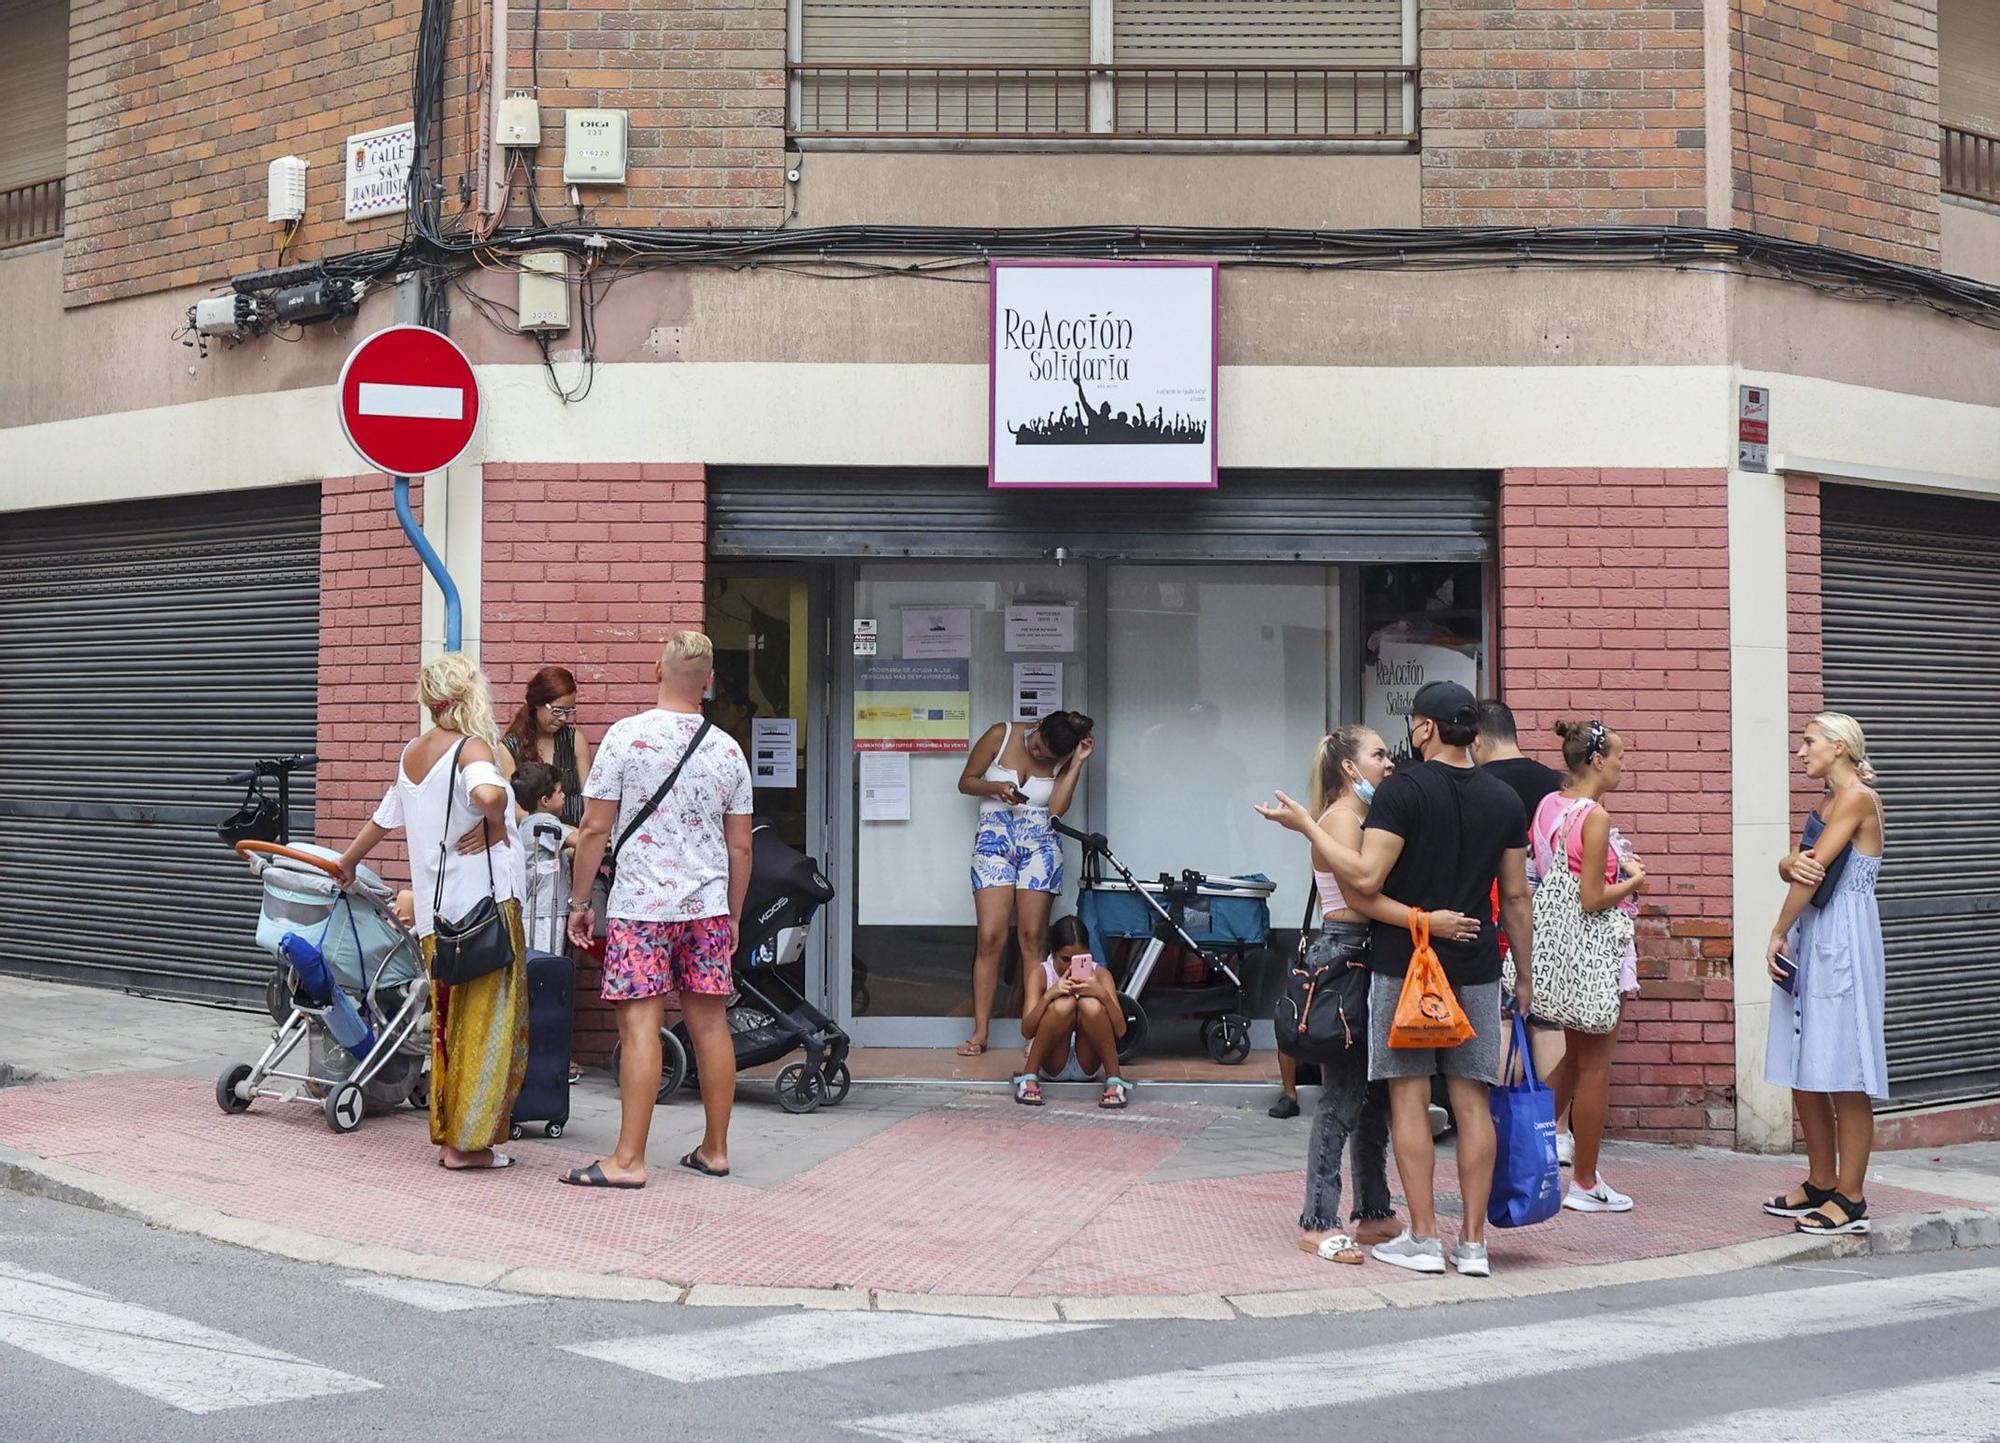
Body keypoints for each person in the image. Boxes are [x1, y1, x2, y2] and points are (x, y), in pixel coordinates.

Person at [1306, 681, 1533, 1278]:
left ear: (1425, 728)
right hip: (1478, 965)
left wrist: (1309, 828)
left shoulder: (1402, 791)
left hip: (1404, 963)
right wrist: (1526, 976)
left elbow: (1367, 877)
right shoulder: (1505, 799)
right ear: (1474, 733)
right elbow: (1515, 898)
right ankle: (1475, 1245)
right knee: (1472, 1099)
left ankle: (1425, 1238)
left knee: (1408, 1096)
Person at [1256, 726, 1482, 1264]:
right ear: (1350, 768)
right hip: (1345, 954)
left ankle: (1375, 1212)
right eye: (1378, 754)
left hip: (1365, 952)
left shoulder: (1359, 816)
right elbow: (1363, 895)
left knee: (1377, 1093)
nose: (1389, 763)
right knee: (1342, 1095)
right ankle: (1318, 1219)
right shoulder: (1340, 819)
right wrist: (1429, 921)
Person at [564, 632, 755, 1188]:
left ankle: (628, 1159)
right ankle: (715, 1150)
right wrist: (733, 914)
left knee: (641, 1025)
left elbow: (596, 828)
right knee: (711, 1028)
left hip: (642, 906)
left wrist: (580, 902)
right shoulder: (727, 749)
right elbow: (741, 846)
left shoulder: (626, 737)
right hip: (708, 909)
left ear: (656, 670)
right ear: (710, 682)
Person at [338, 653, 527, 1172]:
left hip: (435, 919)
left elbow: (381, 820)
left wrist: (348, 865)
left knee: (447, 1023)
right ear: (470, 697)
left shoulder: (412, 753)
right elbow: (488, 792)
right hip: (486, 911)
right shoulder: (472, 749)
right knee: (489, 1029)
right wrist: (495, 821)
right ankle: (469, 1145)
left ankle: (450, 1133)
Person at [1763, 712, 1887, 1237]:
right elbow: (1799, 864)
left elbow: (1811, 873)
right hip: (1817, 934)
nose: (1801, 751)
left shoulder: (1857, 796)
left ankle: (1851, 1197)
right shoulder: (1827, 802)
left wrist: (1777, 930)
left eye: (1809, 741)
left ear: (1838, 746)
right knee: (1803, 1059)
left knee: (1845, 1068)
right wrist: (1786, 864)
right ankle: (1820, 1180)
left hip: (1842, 938)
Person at [1535, 719, 1649, 1214]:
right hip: (1596, 953)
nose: (1625, 765)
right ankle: (1584, 1181)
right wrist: (1634, 879)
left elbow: (1553, 869)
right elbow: (1592, 897)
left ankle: (1533, 1144)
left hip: (1561, 953)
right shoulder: (1595, 816)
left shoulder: (1548, 806)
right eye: (1620, 756)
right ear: (1598, 761)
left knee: (1572, 1058)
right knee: (1596, 1066)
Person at [955, 710, 1096, 1057]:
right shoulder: (1000, 734)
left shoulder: (1064, 758)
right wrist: (995, 788)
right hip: (993, 842)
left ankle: (1034, 1031)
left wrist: (1076, 764)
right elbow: (966, 781)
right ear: (1038, 727)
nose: (1038, 756)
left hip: (1041, 846)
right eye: (1036, 747)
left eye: (1048, 757)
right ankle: (981, 1031)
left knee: (1033, 940)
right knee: (990, 937)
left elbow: (1057, 809)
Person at [1473, 698, 1570, 1157]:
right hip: (1555, 915)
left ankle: (1504, 1123)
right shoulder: (1554, 784)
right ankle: (1557, 1131)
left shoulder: (1477, 785)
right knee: (1549, 1018)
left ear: (1476, 739)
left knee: (1506, 1016)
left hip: (1500, 912)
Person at [513, 759, 584, 1084]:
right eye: (559, 793)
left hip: (534, 912)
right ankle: (547, 1055)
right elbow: (580, 839)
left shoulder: (526, 825)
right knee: (546, 982)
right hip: (544, 915)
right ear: (545, 800)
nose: (563, 796)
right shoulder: (546, 823)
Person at [1014, 916, 1132, 1110]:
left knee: (1091, 1005)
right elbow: (1027, 1030)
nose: (1070, 967)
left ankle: (1115, 1079)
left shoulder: (1100, 974)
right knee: (1064, 1004)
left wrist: (1102, 995)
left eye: (1079, 960)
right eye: (1065, 959)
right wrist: (1050, 995)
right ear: (1053, 953)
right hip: (1052, 1061)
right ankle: (1029, 1077)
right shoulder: (1041, 974)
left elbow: (1120, 1030)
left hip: (1087, 1061)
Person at [503, 665, 594, 826]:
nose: (563, 718)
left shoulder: (575, 741)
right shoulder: (509, 747)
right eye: (557, 710)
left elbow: (589, 799)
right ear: (537, 704)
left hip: (577, 841)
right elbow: (513, 810)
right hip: (532, 843)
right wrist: (561, 831)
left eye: (569, 711)